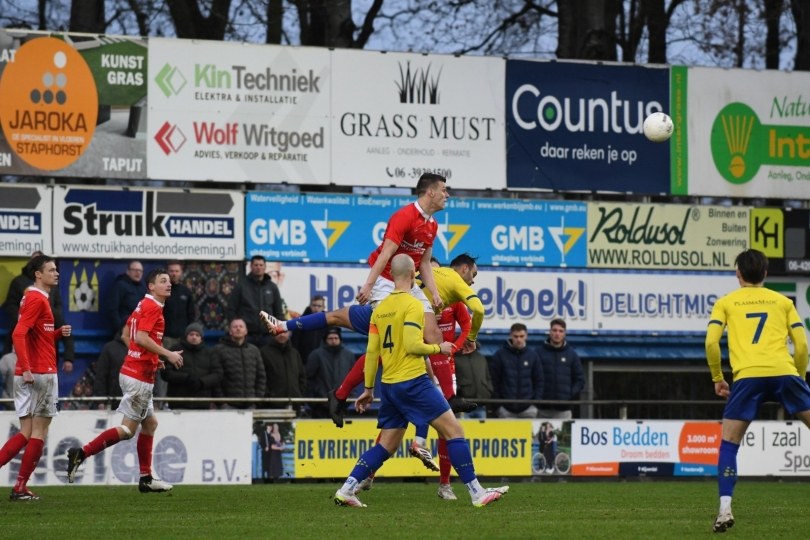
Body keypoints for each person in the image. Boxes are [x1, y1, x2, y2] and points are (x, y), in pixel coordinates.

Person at [333, 254, 508, 508]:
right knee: (454, 431)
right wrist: (440, 348)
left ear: (392, 275)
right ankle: (477, 492)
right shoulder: (416, 304)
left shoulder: (379, 309)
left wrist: (369, 389)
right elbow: (414, 345)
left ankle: (347, 489)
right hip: (414, 381)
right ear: (412, 273)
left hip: (389, 385)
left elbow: (371, 353)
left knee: (386, 444)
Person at [266, 253, 485, 425]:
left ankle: (283, 327)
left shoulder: (429, 272)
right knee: (428, 343)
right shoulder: (454, 281)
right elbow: (478, 309)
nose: (473, 281)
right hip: (399, 316)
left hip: (385, 307)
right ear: (464, 269)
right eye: (473, 275)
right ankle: (448, 399)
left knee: (337, 319)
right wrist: (471, 337)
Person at [704, 249, 810, 533]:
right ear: (765, 273)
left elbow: (711, 343)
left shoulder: (725, 302)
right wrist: (799, 379)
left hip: (747, 377)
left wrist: (718, 378)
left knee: (729, 443)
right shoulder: (783, 301)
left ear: (738, 274)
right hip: (785, 373)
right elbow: (802, 346)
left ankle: (725, 509)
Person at [66, 268, 184, 492]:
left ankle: (146, 478)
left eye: (169, 281)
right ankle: (81, 453)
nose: (168, 284)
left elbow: (126, 334)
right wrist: (167, 354)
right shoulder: (152, 307)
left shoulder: (143, 304)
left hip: (135, 371)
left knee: (150, 424)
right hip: (138, 378)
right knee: (128, 430)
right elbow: (140, 337)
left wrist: (149, 358)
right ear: (151, 286)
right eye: (163, 281)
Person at [0, 254, 71, 500]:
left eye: (56, 269)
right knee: (39, 432)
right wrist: (28, 368)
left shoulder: (32, 297)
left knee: (26, 432)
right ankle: (20, 487)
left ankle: (20, 487)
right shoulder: (36, 298)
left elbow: (35, 336)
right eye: (51, 270)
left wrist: (57, 333)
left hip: (29, 372)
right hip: (39, 373)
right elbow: (18, 334)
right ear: (38, 274)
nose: (56, 273)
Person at [356, 172, 449, 347]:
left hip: (409, 284)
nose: (447, 195)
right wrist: (368, 286)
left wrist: (435, 293)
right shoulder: (404, 216)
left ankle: (435, 368)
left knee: (434, 334)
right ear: (430, 192)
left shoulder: (433, 224)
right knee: (393, 339)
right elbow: (385, 254)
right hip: (385, 281)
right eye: (444, 190)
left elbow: (424, 263)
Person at [2, 250, 75, 368]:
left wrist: (68, 358)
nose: (55, 274)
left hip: (46, 359)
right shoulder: (19, 283)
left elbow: (59, 310)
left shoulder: (51, 289)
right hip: (23, 352)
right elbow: (11, 307)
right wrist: (23, 318)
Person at [227, 255, 287, 347]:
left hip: (268, 336)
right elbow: (231, 309)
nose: (258, 267)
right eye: (256, 265)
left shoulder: (272, 287)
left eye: (261, 265)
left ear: (265, 267)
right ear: (251, 266)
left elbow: (278, 312)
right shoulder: (241, 286)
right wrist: (236, 328)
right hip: (247, 336)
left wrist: (280, 331)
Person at [160, 322, 222, 409]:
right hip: (178, 402)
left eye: (197, 335)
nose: (194, 337)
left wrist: (202, 382)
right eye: (191, 334)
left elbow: (217, 374)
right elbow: (165, 373)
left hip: (202, 402)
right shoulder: (175, 350)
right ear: (186, 336)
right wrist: (185, 378)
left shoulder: (210, 353)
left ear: (201, 338)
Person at [489, 323, 544, 418]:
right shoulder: (500, 355)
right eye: (516, 336)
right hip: (505, 410)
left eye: (521, 336)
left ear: (526, 336)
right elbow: (493, 381)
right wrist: (498, 405)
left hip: (528, 409)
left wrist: (535, 403)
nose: (519, 339)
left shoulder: (533, 356)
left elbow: (539, 381)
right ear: (510, 335)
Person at [536, 318, 585, 420]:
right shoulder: (538, 353)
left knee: (564, 432)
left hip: (564, 410)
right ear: (550, 332)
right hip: (542, 409)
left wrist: (569, 394)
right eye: (554, 330)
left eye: (561, 331)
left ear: (565, 334)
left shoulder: (572, 354)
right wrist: (537, 397)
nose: (557, 334)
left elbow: (580, 380)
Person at [214, 318, 266, 408]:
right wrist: (222, 402)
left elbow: (261, 377)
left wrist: (257, 400)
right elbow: (216, 379)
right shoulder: (219, 350)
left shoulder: (254, 350)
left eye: (241, 326)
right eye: (235, 327)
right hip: (228, 406)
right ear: (230, 331)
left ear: (246, 331)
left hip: (251, 405)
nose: (238, 329)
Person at [306, 327, 356, 418]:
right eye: (330, 338)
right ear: (325, 340)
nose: (333, 341)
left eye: (336, 338)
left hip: (341, 406)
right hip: (320, 407)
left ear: (340, 339)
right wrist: (314, 402)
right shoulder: (316, 355)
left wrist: (349, 399)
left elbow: (353, 379)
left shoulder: (349, 355)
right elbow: (309, 379)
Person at [260, 330, 307, 410]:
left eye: (284, 332)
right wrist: (268, 395)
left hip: (294, 403)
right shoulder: (264, 352)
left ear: (289, 334)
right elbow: (261, 377)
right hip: (272, 404)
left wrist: (299, 393)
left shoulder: (294, 353)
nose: (282, 335)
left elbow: (302, 376)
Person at [105, 260, 147, 337]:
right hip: (124, 332)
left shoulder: (143, 288)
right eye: (135, 270)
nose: (138, 273)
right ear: (128, 271)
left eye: (140, 271)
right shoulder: (120, 285)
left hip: (139, 332)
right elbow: (112, 309)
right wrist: (120, 329)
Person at [94, 325, 130, 410]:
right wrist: (101, 400)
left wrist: (156, 399)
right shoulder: (110, 348)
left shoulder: (144, 347)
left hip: (139, 402)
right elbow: (101, 375)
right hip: (115, 402)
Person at [454, 344, 493, 420]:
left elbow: (488, 377)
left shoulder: (481, 357)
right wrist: (459, 393)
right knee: (463, 428)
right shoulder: (455, 358)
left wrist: (488, 390)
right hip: (463, 406)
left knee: (482, 428)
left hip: (481, 404)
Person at [291, 296, 327, 367]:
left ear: (323, 307)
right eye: (314, 305)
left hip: (322, 363)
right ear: (310, 306)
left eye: (319, 306)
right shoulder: (300, 323)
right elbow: (295, 344)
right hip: (303, 363)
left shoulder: (327, 324)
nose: (316, 308)